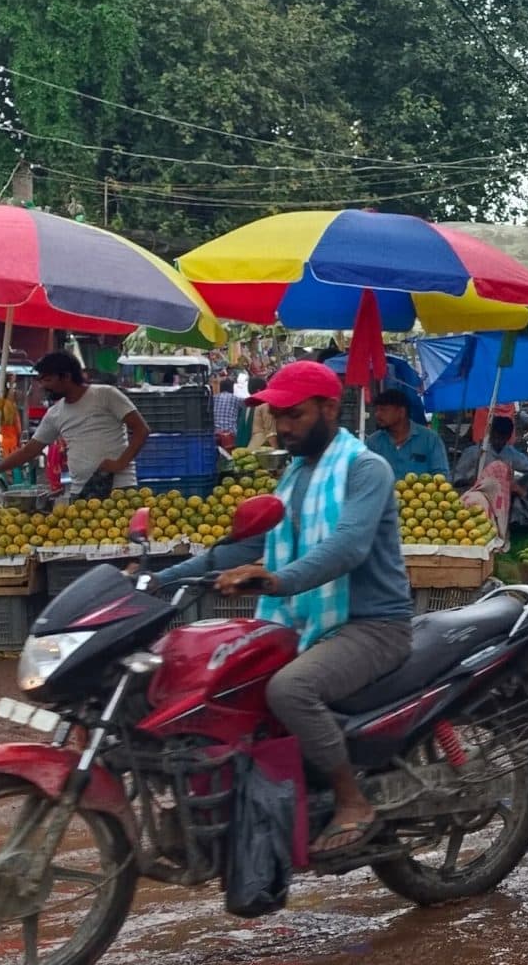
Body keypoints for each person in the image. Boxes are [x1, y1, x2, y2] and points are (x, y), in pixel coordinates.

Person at [158, 361, 413, 856]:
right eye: (277, 417)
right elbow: (243, 544)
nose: (284, 427)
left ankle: (352, 800)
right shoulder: (295, 475)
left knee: (290, 689)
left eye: (294, 415)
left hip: (372, 624)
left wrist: (279, 579)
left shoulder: (365, 469)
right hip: (305, 617)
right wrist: (155, 578)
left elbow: (349, 546)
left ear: (329, 407)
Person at [0, 352, 150, 503]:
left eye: (48, 380)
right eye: (41, 381)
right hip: (80, 493)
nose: (43, 386)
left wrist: (120, 463)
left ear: (67, 377)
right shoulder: (54, 413)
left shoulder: (105, 394)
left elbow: (141, 429)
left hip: (119, 489)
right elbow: (29, 451)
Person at [365, 387, 448, 478]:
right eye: (376, 410)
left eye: (383, 410)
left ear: (401, 412)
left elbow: (441, 475)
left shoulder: (430, 439)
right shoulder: (372, 442)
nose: (377, 414)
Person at [212, 371, 243, 452]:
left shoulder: (214, 398)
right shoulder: (236, 399)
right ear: (232, 388)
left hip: (216, 432)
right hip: (231, 433)